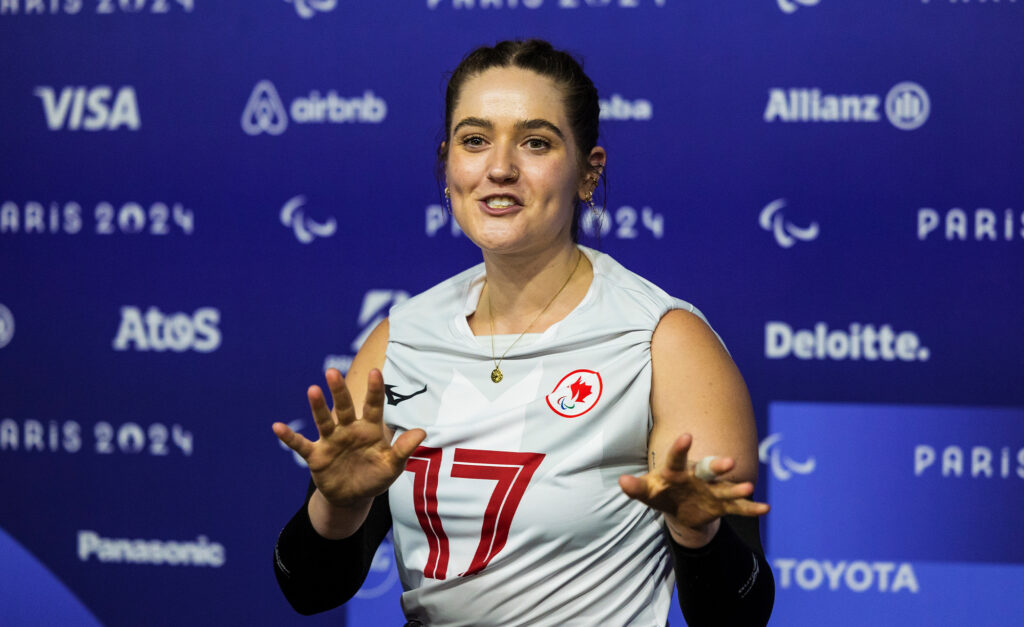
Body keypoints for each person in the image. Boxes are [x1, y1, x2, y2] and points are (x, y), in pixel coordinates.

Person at [272, 39, 774, 626]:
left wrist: (697, 532)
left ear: (588, 172)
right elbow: (310, 592)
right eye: (474, 140)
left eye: (536, 142)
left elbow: (740, 615)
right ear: (447, 165)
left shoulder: (661, 341)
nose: (500, 168)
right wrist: (337, 507)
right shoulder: (400, 341)